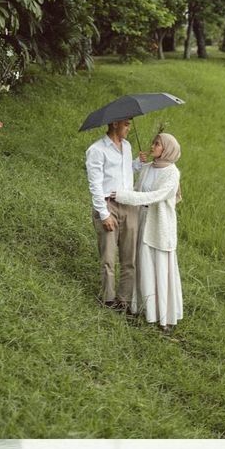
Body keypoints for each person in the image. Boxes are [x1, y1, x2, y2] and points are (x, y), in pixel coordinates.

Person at [109, 132, 183, 331]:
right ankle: (138, 306)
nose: (153, 146)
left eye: (157, 144)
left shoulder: (172, 173)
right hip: (141, 220)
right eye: (153, 143)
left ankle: (163, 316)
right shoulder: (147, 168)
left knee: (157, 264)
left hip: (159, 225)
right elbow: (137, 190)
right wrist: (121, 192)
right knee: (140, 262)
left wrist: (125, 197)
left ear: (167, 148)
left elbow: (156, 195)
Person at [85, 117, 144, 311]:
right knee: (108, 258)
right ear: (114, 123)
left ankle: (123, 300)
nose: (128, 127)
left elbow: (125, 173)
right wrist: (103, 214)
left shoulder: (126, 147)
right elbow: (95, 185)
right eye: (126, 124)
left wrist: (137, 163)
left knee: (129, 258)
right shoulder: (97, 150)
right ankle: (108, 299)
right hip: (108, 206)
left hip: (129, 205)